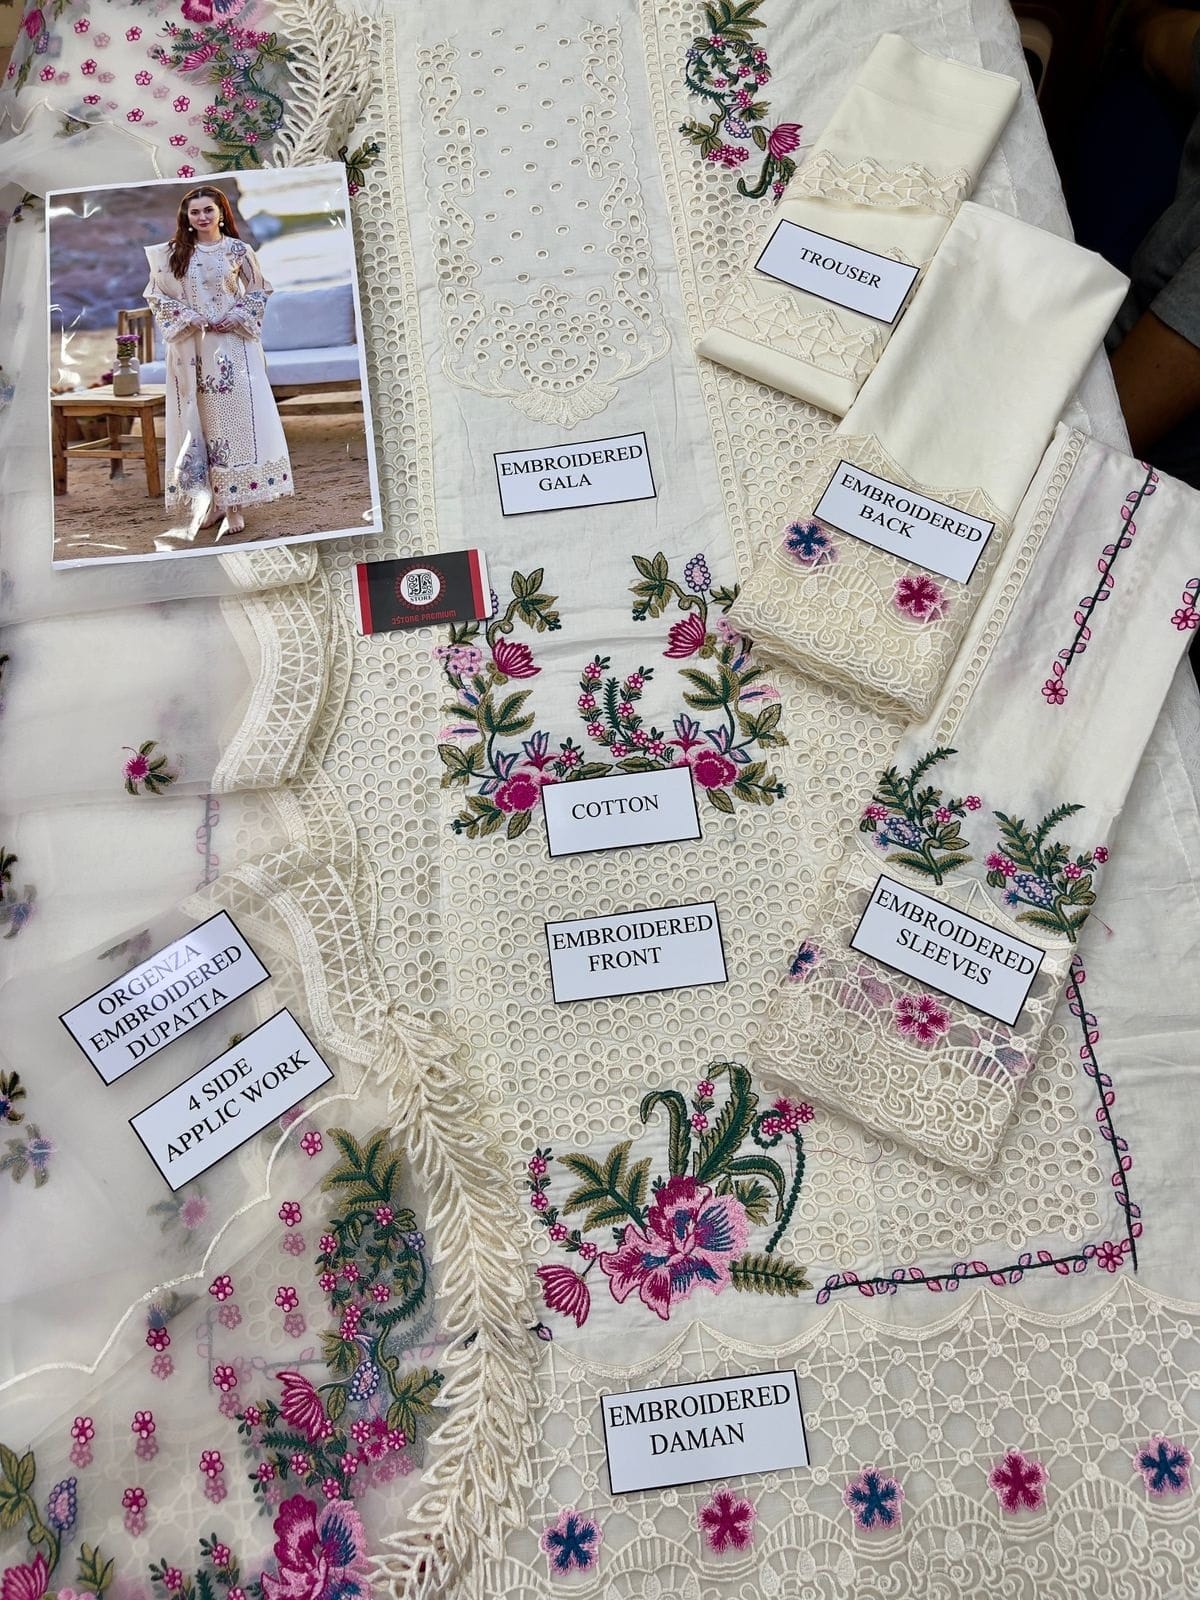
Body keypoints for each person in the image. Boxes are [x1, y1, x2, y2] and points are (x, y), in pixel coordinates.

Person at [143, 185, 293, 539]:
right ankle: (211, 501)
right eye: (195, 212)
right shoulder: (172, 254)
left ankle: (234, 505)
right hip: (191, 348)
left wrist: (237, 314)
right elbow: (155, 294)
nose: (202, 217)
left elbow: (259, 289)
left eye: (208, 210)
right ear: (187, 217)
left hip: (233, 347)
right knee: (199, 423)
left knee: (233, 422)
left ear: (221, 212)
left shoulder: (238, 250)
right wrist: (188, 316)